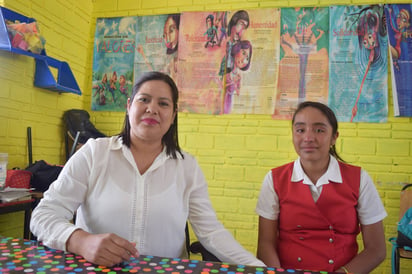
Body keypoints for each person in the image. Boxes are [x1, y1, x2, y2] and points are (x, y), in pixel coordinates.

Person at [30, 71, 265, 268]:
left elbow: (211, 233)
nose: (152, 109)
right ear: (129, 106)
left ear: (173, 116)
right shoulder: (94, 153)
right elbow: (43, 215)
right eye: (144, 100)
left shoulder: (187, 167)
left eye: (163, 103)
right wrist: (79, 241)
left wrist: (261, 269)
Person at [255, 101, 387, 273]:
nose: (308, 138)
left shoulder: (359, 179)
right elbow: (265, 244)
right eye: (300, 130)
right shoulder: (275, 179)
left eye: (319, 130)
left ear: (334, 137)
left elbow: (376, 249)